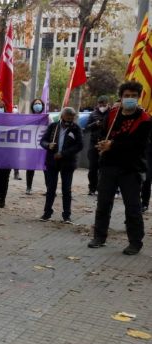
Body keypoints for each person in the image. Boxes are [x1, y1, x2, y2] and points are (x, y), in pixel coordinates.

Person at [89, 81, 152, 255]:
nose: (130, 99)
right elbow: (103, 133)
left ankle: (135, 242)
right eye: (127, 96)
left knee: (132, 206)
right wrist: (101, 143)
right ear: (121, 97)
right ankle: (99, 236)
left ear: (138, 98)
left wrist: (113, 145)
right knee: (103, 203)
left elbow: (137, 145)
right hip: (109, 166)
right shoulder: (113, 114)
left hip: (130, 169)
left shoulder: (145, 119)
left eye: (133, 96)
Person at [39, 107, 83, 223]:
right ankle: (47, 213)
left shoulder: (76, 128)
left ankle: (66, 215)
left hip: (68, 163)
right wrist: (48, 145)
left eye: (72, 118)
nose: (69, 120)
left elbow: (79, 145)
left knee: (66, 189)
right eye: (68, 117)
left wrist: (63, 154)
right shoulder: (53, 126)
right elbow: (42, 141)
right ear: (62, 116)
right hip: (52, 162)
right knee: (51, 188)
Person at [86, 96, 109, 196]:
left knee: (104, 168)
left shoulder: (111, 113)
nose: (102, 106)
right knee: (92, 167)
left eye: (104, 104)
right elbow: (87, 127)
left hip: (106, 143)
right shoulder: (93, 114)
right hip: (94, 143)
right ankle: (92, 188)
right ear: (98, 104)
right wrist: (95, 124)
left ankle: (102, 188)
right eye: (100, 104)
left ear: (108, 104)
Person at [23, 98, 44, 194]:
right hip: (31, 146)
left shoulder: (47, 117)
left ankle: (49, 189)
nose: (37, 105)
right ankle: (28, 187)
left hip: (43, 146)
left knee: (46, 167)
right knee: (30, 167)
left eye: (39, 103)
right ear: (32, 106)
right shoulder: (29, 117)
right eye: (36, 103)